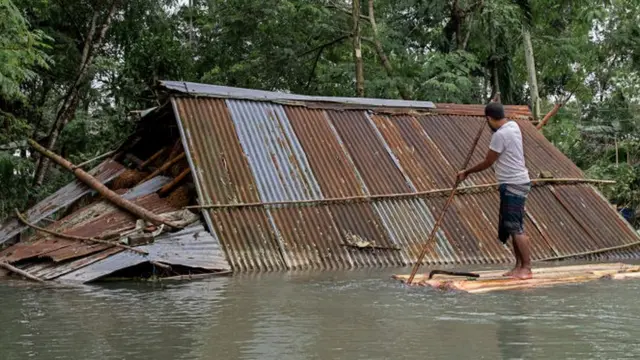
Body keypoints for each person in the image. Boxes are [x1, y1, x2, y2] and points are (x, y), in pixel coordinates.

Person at [456, 102, 532, 280]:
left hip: (513, 183)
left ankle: (527, 268)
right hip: (517, 182)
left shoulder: (501, 135)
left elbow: (488, 161)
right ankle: (518, 266)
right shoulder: (513, 126)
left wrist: (466, 172)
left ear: (489, 119)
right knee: (511, 225)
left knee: (515, 227)